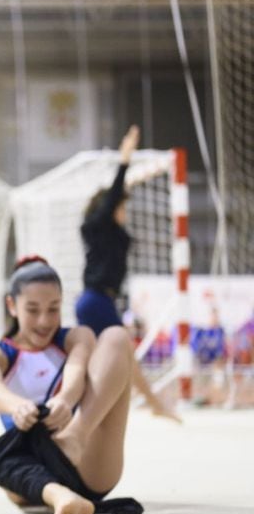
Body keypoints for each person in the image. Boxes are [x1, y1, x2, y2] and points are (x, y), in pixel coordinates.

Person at [0, 256, 142, 514]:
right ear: (12, 305)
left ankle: (73, 441)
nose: (44, 320)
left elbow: (76, 371)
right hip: (31, 474)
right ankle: (58, 496)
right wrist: (17, 407)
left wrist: (65, 399)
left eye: (53, 309)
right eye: (33, 310)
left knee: (116, 337)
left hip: (84, 461)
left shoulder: (76, 337)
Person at [76, 124, 179, 422]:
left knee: (105, 357)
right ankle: (154, 402)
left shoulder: (113, 236)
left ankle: (138, 402)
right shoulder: (96, 227)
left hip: (100, 300)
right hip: (94, 300)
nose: (124, 212)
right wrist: (125, 160)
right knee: (123, 354)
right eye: (121, 206)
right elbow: (110, 201)